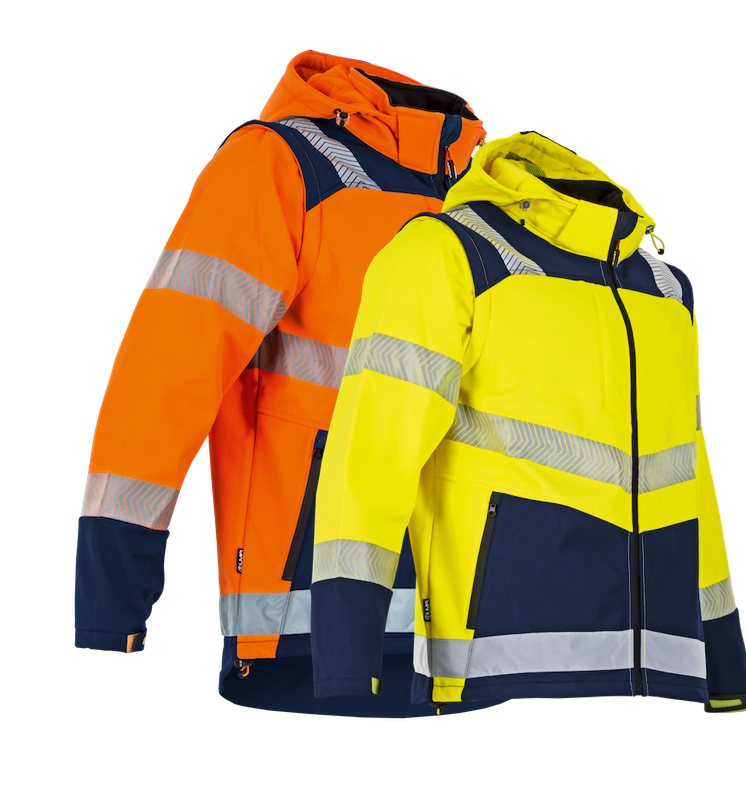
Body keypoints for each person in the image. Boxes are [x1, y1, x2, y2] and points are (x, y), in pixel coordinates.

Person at [73, 48, 509, 717]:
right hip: (306, 631)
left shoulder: (497, 203)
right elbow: (166, 372)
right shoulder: (282, 167)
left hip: (487, 647)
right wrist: (111, 603)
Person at [310, 129, 746, 714]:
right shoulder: (449, 254)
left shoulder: (665, 291)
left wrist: (723, 658)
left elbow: (690, 482)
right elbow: (371, 453)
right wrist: (346, 652)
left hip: (663, 678)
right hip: (498, 669)